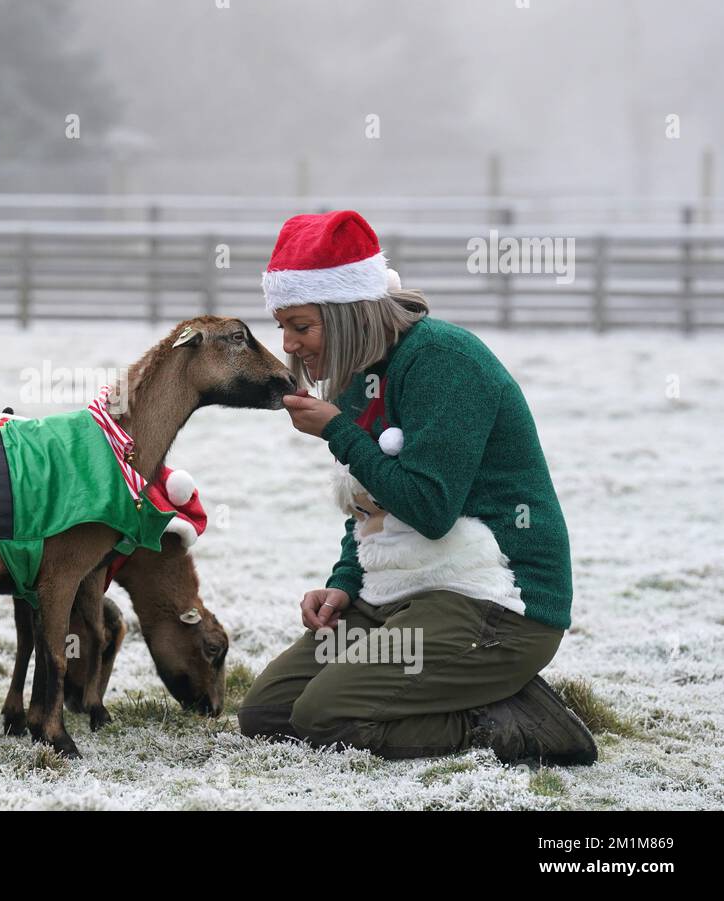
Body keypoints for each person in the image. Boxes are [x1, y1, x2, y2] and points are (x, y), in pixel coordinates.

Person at [237, 209, 597, 766]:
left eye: (301, 326)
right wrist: (344, 584)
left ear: (349, 314)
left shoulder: (442, 360)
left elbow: (429, 508)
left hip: (493, 601)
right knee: (267, 714)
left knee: (323, 716)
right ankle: (455, 689)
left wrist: (337, 430)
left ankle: (516, 720)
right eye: (282, 325)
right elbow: (370, 506)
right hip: (398, 594)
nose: (288, 343)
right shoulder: (359, 372)